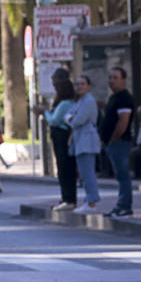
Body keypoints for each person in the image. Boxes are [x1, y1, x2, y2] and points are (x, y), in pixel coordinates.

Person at [101, 67, 136, 219]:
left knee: (123, 175)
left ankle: (124, 207)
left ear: (123, 79)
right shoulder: (114, 97)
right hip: (113, 143)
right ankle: (121, 205)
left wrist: (114, 138)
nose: (112, 81)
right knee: (120, 175)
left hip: (120, 142)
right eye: (110, 77)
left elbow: (123, 121)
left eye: (115, 77)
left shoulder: (124, 98)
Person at [67, 75, 102, 214]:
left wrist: (72, 118)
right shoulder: (79, 101)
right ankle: (89, 199)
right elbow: (67, 116)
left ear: (89, 86)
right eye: (77, 84)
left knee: (87, 173)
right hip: (79, 140)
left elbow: (77, 120)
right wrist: (72, 118)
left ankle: (91, 202)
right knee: (83, 173)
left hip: (87, 141)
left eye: (82, 84)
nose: (79, 87)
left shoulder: (88, 101)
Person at [44, 74, 78, 211]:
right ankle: (67, 198)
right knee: (65, 168)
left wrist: (45, 112)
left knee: (64, 168)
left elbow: (54, 120)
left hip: (62, 136)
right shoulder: (70, 103)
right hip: (61, 136)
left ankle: (68, 198)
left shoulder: (65, 104)